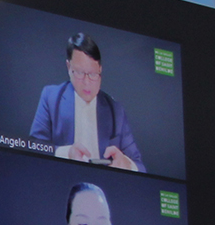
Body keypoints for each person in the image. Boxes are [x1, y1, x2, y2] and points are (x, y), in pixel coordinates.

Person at [29, 33, 145, 172]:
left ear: (100, 70)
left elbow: (140, 167)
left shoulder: (115, 110)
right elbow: (34, 147)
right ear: (69, 67)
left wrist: (126, 164)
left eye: (93, 74)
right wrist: (66, 154)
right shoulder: (51, 97)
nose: (86, 82)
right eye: (79, 72)